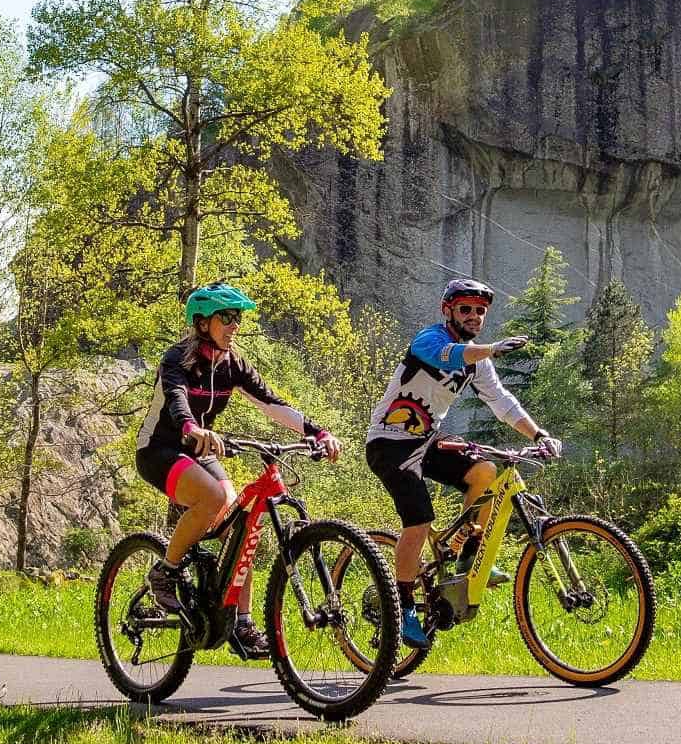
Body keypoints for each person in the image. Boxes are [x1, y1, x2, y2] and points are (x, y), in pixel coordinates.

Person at [135, 281, 337, 659]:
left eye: (238, 318)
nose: (235, 325)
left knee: (239, 515)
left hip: (200, 448)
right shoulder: (177, 358)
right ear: (202, 322)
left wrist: (317, 431)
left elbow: (271, 402)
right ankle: (166, 570)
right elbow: (177, 401)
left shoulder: (232, 364)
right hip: (161, 448)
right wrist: (192, 429)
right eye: (226, 317)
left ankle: (240, 620)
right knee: (212, 497)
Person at [365, 278, 561, 651]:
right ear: (448, 311)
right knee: (419, 519)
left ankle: (465, 559)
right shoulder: (428, 340)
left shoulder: (479, 360)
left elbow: (502, 403)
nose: (474, 316)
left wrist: (538, 435)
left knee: (486, 473)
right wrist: (492, 349)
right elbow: (451, 356)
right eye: (466, 309)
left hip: (428, 441)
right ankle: (403, 606)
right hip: (389, 442)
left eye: (480, 311)